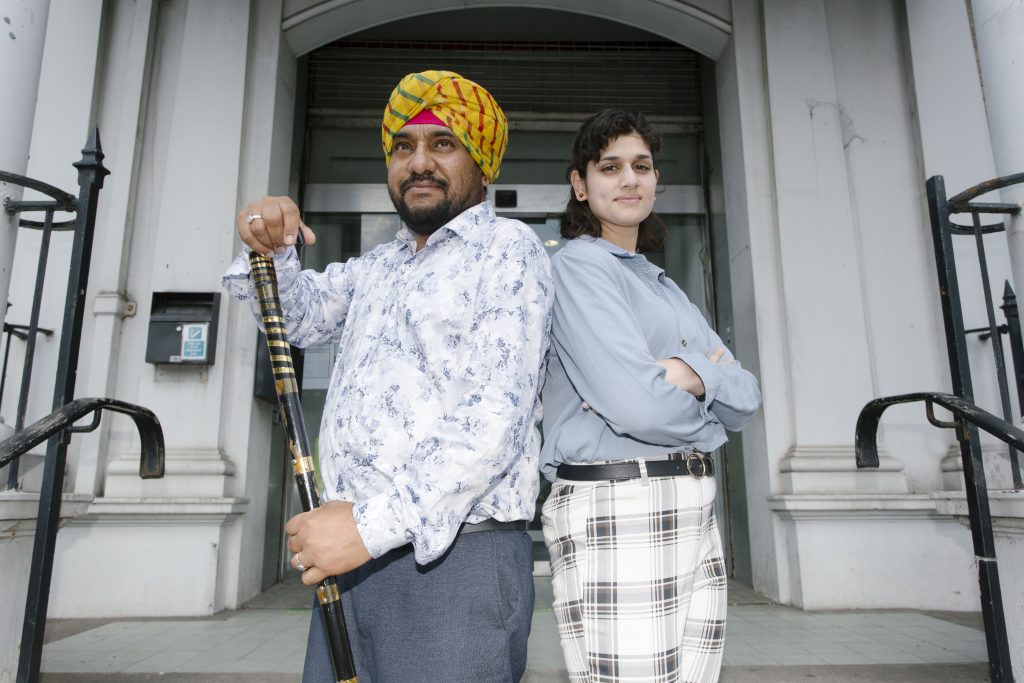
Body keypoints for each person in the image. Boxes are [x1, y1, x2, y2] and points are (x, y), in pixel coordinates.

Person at [223, 70, 553, 683]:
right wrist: (273, 241)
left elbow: (492, 422)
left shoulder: (509, 249)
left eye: (442, 144)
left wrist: (366, 530)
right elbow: (297, 314)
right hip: (350, 555)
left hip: (456, 560)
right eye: (403, 147)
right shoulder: (379, 263)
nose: (418, 162)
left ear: (482, 164)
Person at [540, 109, 762, 683]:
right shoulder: (579, 266)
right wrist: (706, 392)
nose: (629, 179)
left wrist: (683, 374)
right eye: (609, 167)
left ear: (657, 179)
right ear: (580, 184)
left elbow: (747, 395)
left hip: (689, 499)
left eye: (641, 166)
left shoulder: (659, 284)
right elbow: (637, 404)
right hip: (620, 503)